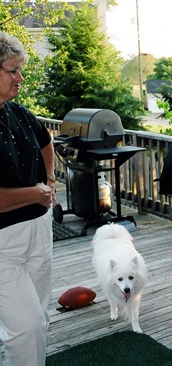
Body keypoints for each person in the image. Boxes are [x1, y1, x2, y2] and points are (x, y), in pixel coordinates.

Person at [0, 32, 56, 366]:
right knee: (25, 327)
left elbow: (46, 142)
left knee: (40, 317)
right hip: (4, 242)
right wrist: (37, 192)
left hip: (40, 231)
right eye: (12, 70)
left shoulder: (17, 112)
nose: (20, 77)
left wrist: (49, 178)